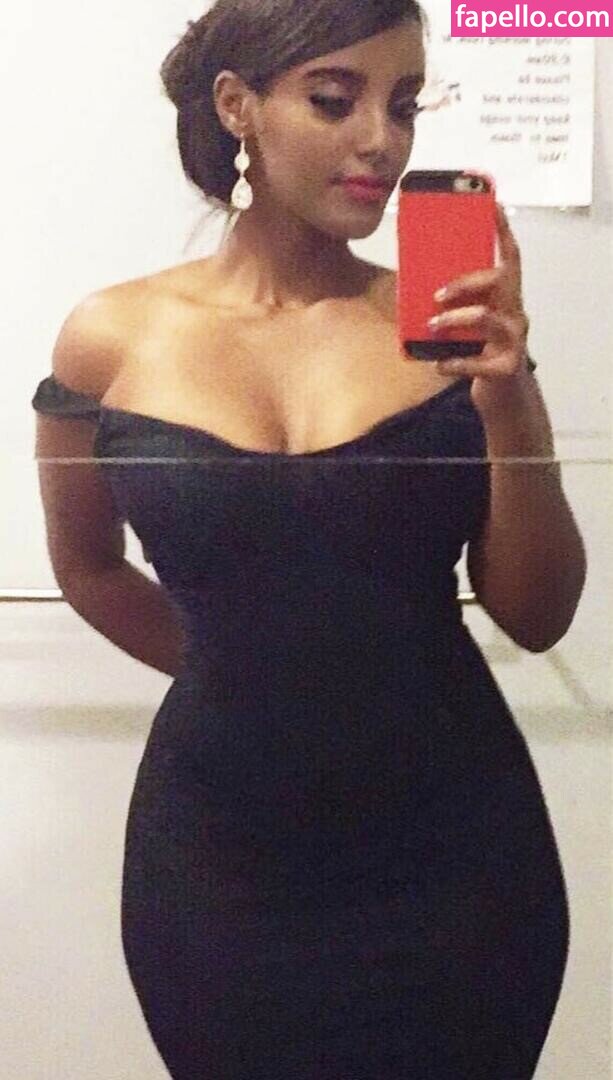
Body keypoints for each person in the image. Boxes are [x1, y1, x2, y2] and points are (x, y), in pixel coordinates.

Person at [32, 2, 587, 1077]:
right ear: (238, 107)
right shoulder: (110, 338)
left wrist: (508, 397)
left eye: (404, 105)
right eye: (335, 100)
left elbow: (536, 612)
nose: (381, 139)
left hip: (457, 857)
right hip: (220, 864)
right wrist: (246, 669)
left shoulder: (452, 337)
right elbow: (88, 567)